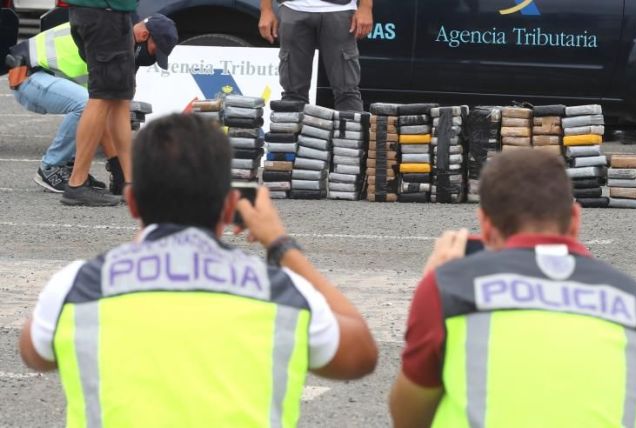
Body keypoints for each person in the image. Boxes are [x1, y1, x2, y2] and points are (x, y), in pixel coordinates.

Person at [18, 113, 378, 427]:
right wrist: (280, 244)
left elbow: (34, 352)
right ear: (229, 208)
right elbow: (361, 354)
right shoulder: (283, 293)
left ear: (132, 203)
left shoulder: (78, 286)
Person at [389, 150, 636, 428]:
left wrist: (433, 285)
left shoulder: (450, 288)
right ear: (575, 220)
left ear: (486, 226)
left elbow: (408, 418)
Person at [7, 15, 177, 199]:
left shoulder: (124, 45)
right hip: (28, 75)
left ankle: (69, 167)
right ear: (144, 34)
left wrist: (118, 167)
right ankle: (51, 168)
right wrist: (118, 166)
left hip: (43, 76)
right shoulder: (112, 40)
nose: (152, 57)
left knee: (93, 107)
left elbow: (105, 115)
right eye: (155, 51)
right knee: (87, 104)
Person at [258, 0, 373, 112]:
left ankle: (350, 131)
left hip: (340, 10)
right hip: (293, 8)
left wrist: (365, 7)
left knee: (347, 93)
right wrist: (266, 9)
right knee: (292, 95)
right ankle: (291, 130)